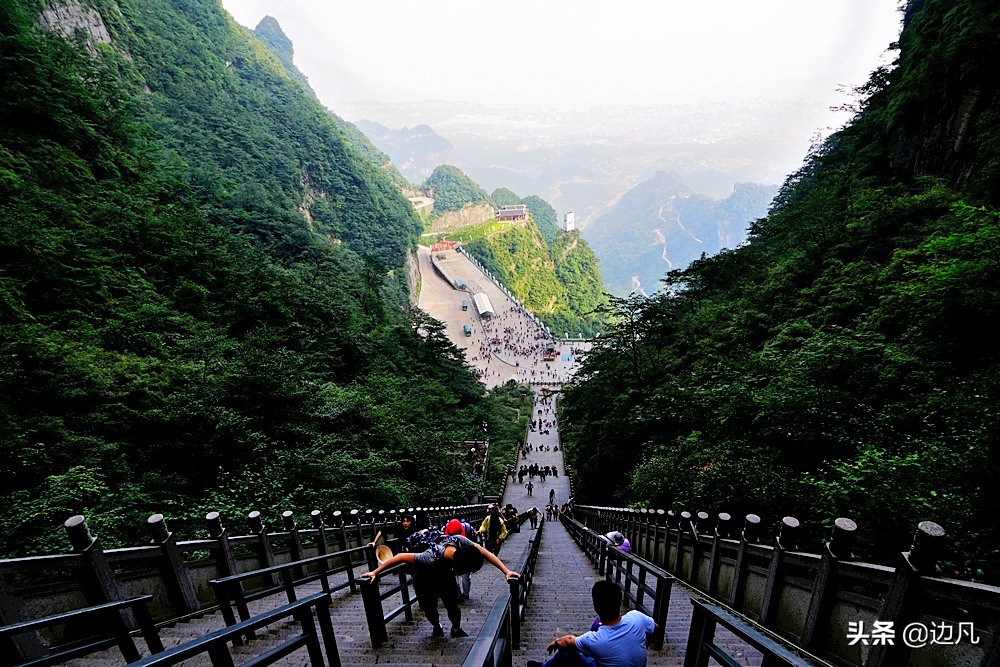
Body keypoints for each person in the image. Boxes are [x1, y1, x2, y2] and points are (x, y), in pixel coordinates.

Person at [362, 530, 519, 639]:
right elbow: (401, 556)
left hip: (445, 577)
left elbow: (484, 552)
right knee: (429, 608)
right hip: (424, 577)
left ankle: (456, 628)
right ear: (459, 567)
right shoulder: (429, 557)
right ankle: (437, 626)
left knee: (452, 605)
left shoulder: (459, 540)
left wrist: (505, 571)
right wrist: (375, 572)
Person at [527, 580, 656, 667]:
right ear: (619, 601)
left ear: (596, 606)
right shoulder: (637, 617)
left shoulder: (596, 640)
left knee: (566, 653)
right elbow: (656, 628)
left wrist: (556, 643)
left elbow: (567, 642)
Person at [444, 518, 474, 602]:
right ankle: (465, 594)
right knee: (465, 576)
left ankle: (460, 595)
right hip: (463, 554)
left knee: (455, 575)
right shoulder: (466, 530)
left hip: (456, 553)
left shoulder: (448, 531)